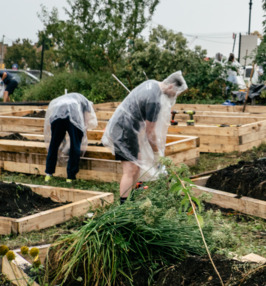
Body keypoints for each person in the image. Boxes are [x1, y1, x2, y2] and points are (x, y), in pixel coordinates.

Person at [102, 71, 188, 204]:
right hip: (124, 130)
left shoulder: (152, 83)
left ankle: (131, 199)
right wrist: (156, 153)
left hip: (127, 127)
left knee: (137, 164)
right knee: (130, 169)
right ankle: (124, 206)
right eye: (176, 92)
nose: (175, 96)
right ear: (171, 86)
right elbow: (150, 133)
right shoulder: (154, 101)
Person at [44, 93, 97, 182]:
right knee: (75, 144)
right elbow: (85, 119)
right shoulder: (84, 102)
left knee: (54, 143)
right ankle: (70, 176)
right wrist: (84, 129)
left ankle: (48, 174)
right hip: (73, 113)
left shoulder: (67, 98)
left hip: (57, 114)